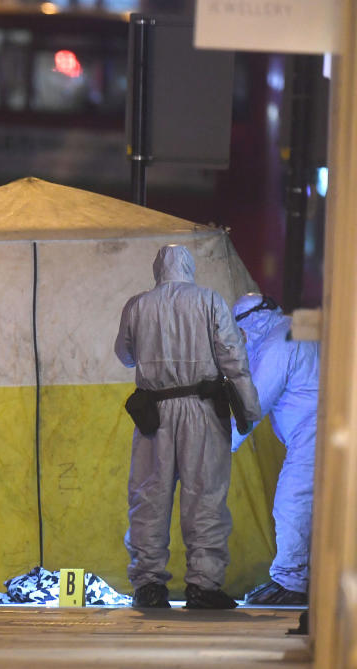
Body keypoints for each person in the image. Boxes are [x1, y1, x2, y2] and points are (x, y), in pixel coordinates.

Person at [114, 244, 261, 609]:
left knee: (149, 497)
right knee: (205, 495)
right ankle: (203, 585)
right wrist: (249, 408)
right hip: (203, 410)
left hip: (155, 412)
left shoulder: (138, 305)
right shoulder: (209, 300)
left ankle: (148, 584)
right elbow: (233, 357)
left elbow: (124, 355)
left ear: (157, 268)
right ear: (189, 267)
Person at [230, 293, 318, 606]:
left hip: (313, 431)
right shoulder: (297, 327)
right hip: (329, 426)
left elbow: (251, 407)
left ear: (249, 323)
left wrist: (218, 448)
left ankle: (292, 582)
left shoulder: (275, 344)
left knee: (291, 502)